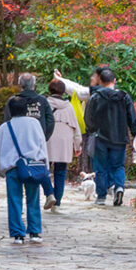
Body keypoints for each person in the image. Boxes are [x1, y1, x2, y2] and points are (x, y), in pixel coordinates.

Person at [84, 68, 136, 207]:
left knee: (100, 167)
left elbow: (88, 118)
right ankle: (119, 187)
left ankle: (101, 196)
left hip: (100, 137)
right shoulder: (124, 96)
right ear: (114, 81)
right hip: (119, 137)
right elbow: (132, 116)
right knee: (118, 166)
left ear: (100, 82)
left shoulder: (95, 97)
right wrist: (135, 132)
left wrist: (91, 130)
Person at [0, 109, 49, 245]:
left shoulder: (4, 127)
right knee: (33, 198)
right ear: (26, 110)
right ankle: (35, 232)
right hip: (31, 167)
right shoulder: (34, 123)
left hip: (12, 167)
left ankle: (18, 234)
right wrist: (45, 165)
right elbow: (42, 144)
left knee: (14, 200)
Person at [45, 79, 81, 209]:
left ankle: (49, 194)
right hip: (65, 141)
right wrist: (77, 146)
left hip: (48, 139)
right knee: (60, 172)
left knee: (44, 170)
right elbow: (75, 128)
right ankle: (58, 201)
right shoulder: (68, 106)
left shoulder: (45, 104)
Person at [5, 72, 55, 138]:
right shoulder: (42, 100)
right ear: (34, 84)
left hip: (18, 138)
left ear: (19, 83)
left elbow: (7, 121)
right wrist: (44, 137)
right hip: (38, 138)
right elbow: (50, 120)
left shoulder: (13, 101)